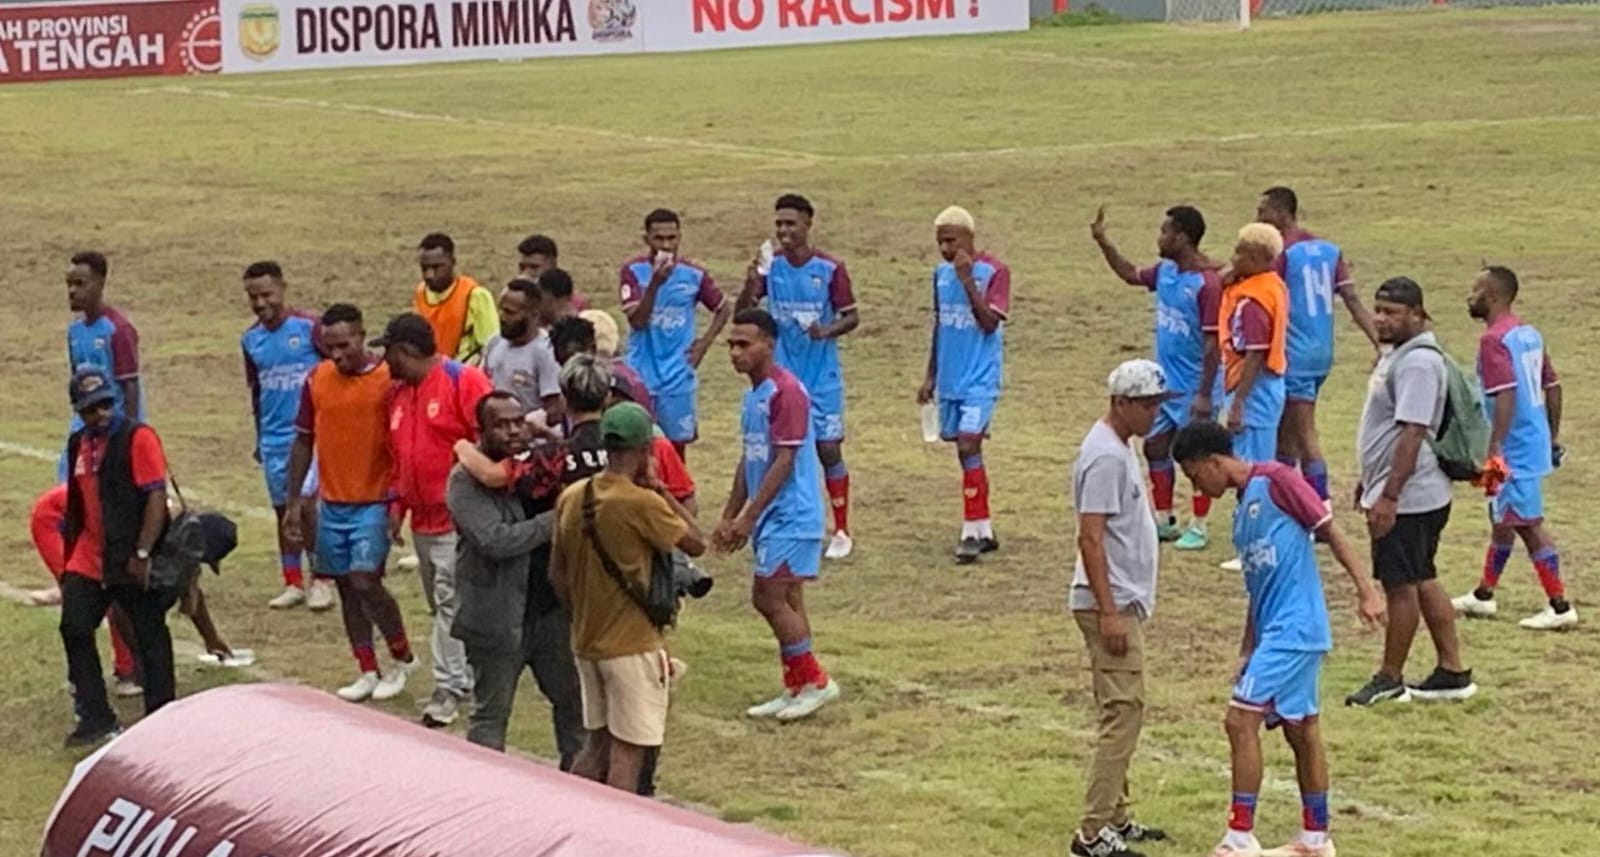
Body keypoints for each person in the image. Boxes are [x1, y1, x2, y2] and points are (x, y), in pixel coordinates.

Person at [1171, 420, 1384, 857]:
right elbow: (1258, 587)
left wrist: (1366, 590)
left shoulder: (1278, 481)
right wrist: (1248, 648)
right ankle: (1315, 838)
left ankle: (1239, 836)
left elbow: (1329, 529)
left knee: (1239, 720)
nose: (1197, 486)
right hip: (1279, 633)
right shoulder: (1240, 514)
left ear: (1214, 462)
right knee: (1301, 730)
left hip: (1297, 628)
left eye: (1195, 475)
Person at [551, 402, 707, 793]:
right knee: (629, 750)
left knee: (595, 743)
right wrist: (661, 490)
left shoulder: (572, 496)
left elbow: (557, 574)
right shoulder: (640, 503)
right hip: (633, 645)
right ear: (645, 451)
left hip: (587, 641)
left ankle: (568, 819)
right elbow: (697, 542)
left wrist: (583, 613)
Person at [1345, 278, 1478, 707]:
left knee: (1400, 584)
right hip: (1409, 490)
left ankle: (1390, 678)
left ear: (1417, 314)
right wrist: (1371, 479)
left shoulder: (1419, 363)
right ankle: (1452, 671)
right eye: (1379, 309)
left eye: (1393, 312)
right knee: (1421, 577)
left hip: (1411, 495)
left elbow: (1414, 431)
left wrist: (1389, 495)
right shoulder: (1399, 355)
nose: (1381, 318)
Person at [1067, 359, 1176, 857]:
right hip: (1110, 602)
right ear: (1121, 404)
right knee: (1123, 711)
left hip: (1118, 598)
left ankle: (1117, 815)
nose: (1155, 413)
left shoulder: (1117, 447)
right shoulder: (1107, 457)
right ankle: (1093, 832)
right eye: (1148, 405)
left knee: (1120, 706)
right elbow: (1090, 537)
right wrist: (1109, 610)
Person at [285, 304, 418, 704]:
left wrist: (397, 500)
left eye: (344, 345)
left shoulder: (386, 381)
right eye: (330, 347)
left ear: (362, 337)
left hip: (373, 501)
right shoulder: (316, 380)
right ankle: (366, 667)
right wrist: (294, 502)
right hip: (333, 502)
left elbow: (400, 443)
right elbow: (304, 439)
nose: (337, 355)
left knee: (365, 579)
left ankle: (402, 655)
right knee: (345, 586)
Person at [715, 309, 841, 721]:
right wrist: (730, 513)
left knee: (767, 596)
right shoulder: (754, 395)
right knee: (786, 597)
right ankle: (797, 684)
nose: (735, 352)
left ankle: (816, 680)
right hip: (773, 515)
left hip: (792, 514)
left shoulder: (786, 392)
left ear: (769, 345)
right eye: (731, 345)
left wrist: (748, 519)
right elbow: (750, 458)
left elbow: (784, 459)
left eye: (743, 344)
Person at [448, 390, 584, 764]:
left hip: (550, 612)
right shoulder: (464, 480)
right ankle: (484, 800)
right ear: (482, 431)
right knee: (491, 716)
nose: (513, 432)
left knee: (575, 707)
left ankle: (579, 791)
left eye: (518, 421)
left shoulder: (541, 465)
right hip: (495, 617)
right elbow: (496, 540)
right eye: (501, 425)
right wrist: (557, 517)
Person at [373, 313, 494, 727]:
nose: (383, 361)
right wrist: (396, 509)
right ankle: (472, 673)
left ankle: (450, 686)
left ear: (404, 351)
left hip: (457, 520)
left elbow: (493, 440)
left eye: (388, 352)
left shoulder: (464, 382)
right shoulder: (398, 395)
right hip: (422, 523)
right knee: (443, 604)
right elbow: (399, 459)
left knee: (448, 603)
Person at [1091, 205, 1222, 551]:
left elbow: (1213, 344)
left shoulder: (1206, 284)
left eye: (1165, 231)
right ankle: (1164, 520)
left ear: (1182, 236)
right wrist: (1103, 242)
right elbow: (1131, 275)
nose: (1159, 238)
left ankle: (1200, 525)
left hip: (1196, 387)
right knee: (1154, 446)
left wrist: (1205, 394)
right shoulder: (1165, 271)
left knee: (1196, 454)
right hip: (1165, 384)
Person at [736, 194, 860, 559]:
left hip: (822, 378)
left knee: (828, 448)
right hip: (783, 379)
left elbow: (852, 316)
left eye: (791, 223)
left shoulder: (830, 269)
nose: (784, 231)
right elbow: (744, 313)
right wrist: (750, 280)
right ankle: (784, 522)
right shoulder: (770, 267)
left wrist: (826, 331)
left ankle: (841, 528)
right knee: (780, 450)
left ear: (808, 224)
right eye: (779, 224)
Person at [1452, 266, 1575, 630]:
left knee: (1527, 523)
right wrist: (1550, 437)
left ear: (1491, 295)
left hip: (1512, 449)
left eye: (1475, 290)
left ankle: (1559, 604)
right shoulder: (1528, 334)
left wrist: (1494, 449)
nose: (1469, 296)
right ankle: (1484, 594)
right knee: (1501, 517)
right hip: (1531, 441)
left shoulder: (1493, 340)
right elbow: (1552, 386)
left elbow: (1504, 394)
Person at [58, 367, 174, 747]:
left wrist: (142, 551)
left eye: (106, 404)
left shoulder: (137, 438)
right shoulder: (79, 444)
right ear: (79, 410)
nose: (101, 414)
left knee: (149, 632)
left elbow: (156, 497)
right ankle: (95, 716)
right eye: (92, 409)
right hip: (89, 555)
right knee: (74, 628)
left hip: (126, 555)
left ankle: (162, 715)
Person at [1257, 187, 1380, 508]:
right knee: (1286, 433)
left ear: (1283, 213)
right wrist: (1379, 343)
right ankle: (1285, 499)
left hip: (1294, 354)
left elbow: (1268, 298)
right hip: (1322, 352)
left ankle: (1320, 505)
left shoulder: (1282, 253)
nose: (1258, 219)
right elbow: (1351, 299)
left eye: (1263, 212)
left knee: (1304, 433)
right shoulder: (1328, 250)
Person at [916, 206, 1011, 563]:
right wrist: (930, 377)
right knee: (964, 449)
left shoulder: (995, 272)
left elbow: (989, 324)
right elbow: (940, 325)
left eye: (951, 240)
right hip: (951, 378)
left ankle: (970, 530)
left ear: (970, 239)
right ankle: (984, 528)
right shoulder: (940, 275)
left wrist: (969, 281)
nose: (945, 249)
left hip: (980, 379)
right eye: (940, 242)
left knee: (969, 445)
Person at [239, 261, 332, 611]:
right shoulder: (251, 340)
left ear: (282, 289)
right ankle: (292, 580)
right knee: (282, 511)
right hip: (274, 439)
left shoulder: (309, 328)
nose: (261, 303)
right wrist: (259, 437)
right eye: (253, 297)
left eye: (266, 294)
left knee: (306, 506)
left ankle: (322, 578)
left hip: (310, 436)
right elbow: (257, 392)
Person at [621, 208, 732, 459]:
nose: (666, 245)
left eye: (671, 238)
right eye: (659, 239)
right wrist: (655, 284)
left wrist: (704, 343)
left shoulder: (694, 274)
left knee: (675, 451)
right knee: (638, 448)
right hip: (641, 376)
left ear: (680, 237)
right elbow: (637, 321)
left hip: (677, 377)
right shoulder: (633, 272)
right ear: (647, 239)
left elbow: (723, 308)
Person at [1217, 224, 1290, 571]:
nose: (1234, 258)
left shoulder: (1253, 301)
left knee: (1252, 469)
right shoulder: (1268, 285)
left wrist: (1239, 402)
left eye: (1241, 253)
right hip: (1262, 386)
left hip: (1254, 388)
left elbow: (1254, 355)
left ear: (1260, 258)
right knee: (1254, 462)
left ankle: (1255, 540)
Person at [32, 484, 140, 698]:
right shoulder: (119, 508)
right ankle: (124, 672)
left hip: (81, 526)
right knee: (107, 600)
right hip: (52, 522)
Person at [63, 251, 143, 480]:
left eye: (80, 284)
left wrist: (128, 436)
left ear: (100, 283)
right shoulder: (74, 332)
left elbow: (130, 385)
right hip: (85, 427)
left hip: (114, 425)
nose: (72, 291)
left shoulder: (118, 330)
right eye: (69, 284)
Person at [483, 278, 565, 428]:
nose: (502, 317)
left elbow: (554, 410)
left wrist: (523, 425)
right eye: (500, 310)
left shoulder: (546, 351)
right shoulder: (494, 342)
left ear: (533, 314)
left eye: (510, 312)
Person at [412, 232, 499, 366]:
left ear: (452, 262)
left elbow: (492, 347)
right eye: (424, 268)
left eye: (436, 267)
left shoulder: (475, 295)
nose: (429, 275)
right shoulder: (421, 292)